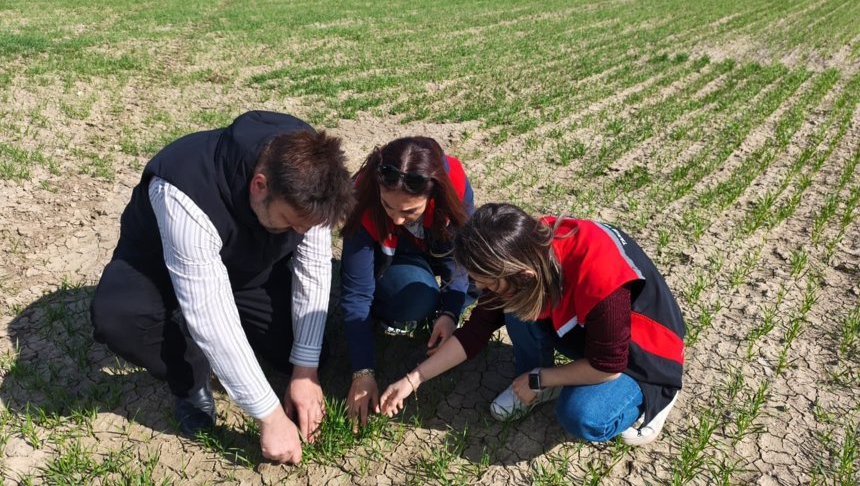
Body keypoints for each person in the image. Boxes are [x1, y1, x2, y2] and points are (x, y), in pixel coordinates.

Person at [90, 111, 354, 464]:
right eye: (291, 223)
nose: (300, 235)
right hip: (157, 268)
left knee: (301, 348)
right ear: (259, 185)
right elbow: (209, 312)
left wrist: (305, 369)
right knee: (120, 317)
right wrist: (270, 416)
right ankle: (190, 377)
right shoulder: (184, 189)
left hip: (242, 267)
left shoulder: (311, 176)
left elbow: (314, 266)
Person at [380, 203, 685, 446]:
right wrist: (413, 379)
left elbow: (608, 366)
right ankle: (540, 384)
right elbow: (476, 331)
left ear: (522, 276)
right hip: (592, 331)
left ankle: (653, 398)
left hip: (642, 352)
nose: (479, 288)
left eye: (486, 282)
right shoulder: (521, 249)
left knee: (582, 415)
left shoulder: (601, 279)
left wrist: (542, 377)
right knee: (514, 308)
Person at [339, 137, 475, 427]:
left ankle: (442, 298)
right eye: (388, 207)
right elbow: (356, 293)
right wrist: (362, 371)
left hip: (437, 248)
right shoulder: (361, 197)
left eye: (410, 211)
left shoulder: (455, 185)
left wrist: (451, 311)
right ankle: (403, 292)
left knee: (483, 275)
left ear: (434, 193)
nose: (398, 220)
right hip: (397, 259)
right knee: (416, 300)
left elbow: (462, 257)